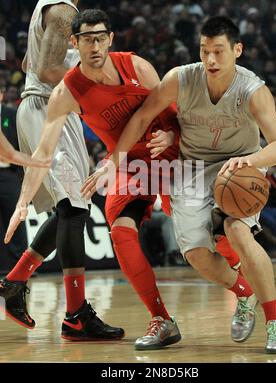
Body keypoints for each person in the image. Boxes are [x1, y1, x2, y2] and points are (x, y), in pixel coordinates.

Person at [6, 10, 253, 351]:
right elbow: (43, 153)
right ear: (74, 44)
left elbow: (178, 112)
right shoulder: (67, 92)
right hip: (128, 164)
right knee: (121, 230)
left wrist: (170, 134)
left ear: (111, 39)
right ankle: (162, 320)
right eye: (87, 39)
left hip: (175, 155)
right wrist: (22, 202)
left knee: (213, 234)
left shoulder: (136, 67)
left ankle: (244, 287)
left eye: (100, 37)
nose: (94, 45)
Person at [95, 16, 276, 354]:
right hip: (190, 171)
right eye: (205, 51)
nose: (211, 60)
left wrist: (252, 162)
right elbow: (143, 116)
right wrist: (114, 159)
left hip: (240, 166)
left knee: (237, 231)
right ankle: (244, 294)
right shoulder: (180, 78)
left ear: (237, 50)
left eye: (219, 51)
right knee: (197, 255)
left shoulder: (253, 89)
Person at [0, 0, 124, 341]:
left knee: (73, 207)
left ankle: (16, 280)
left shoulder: (53, 10)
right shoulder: (62, 11)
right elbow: (46, 71)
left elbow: (29, 61)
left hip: (52, 108)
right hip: (45, 106)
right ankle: (75, 314)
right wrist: (100, 88)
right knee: (74, 207)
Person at [0, 87, 28, 273]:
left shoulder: (12, 114)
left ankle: (21, 267)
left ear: (1, 93)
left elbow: (22, 144)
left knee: (16, 218)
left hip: (8, 174)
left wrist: (19, 173)